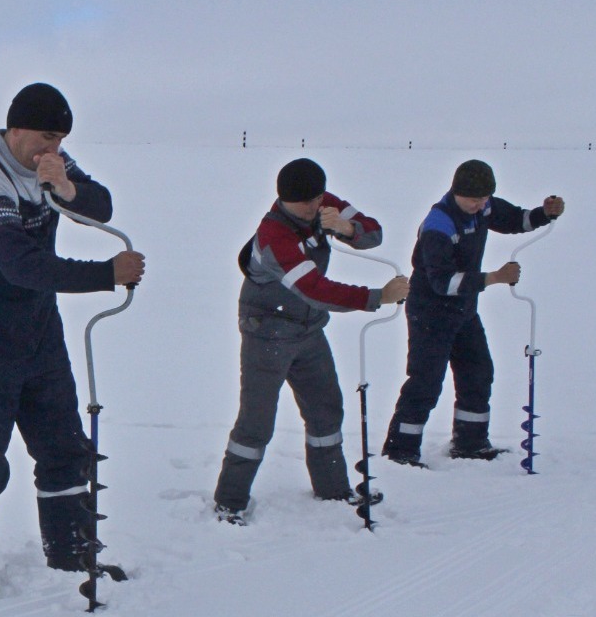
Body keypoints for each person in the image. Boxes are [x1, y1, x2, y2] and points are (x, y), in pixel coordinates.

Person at [0, 83, 145, 596]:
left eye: (62, 140)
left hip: (37, 329)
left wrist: (68, 189)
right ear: (16, 128)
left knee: (63, 446)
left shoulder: (55, 161)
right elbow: (19, 264)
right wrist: (105, 274)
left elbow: (104, 206)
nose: (53, 150)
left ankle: (72, 551)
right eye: (46, 138)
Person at [212, 158, 409, 525]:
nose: (313, 208)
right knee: (256, 423)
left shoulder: (323, 203)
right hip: (266, 330)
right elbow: (314, 289)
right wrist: (377, 296)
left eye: (317, 199)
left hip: (307, 328)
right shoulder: (274, 237)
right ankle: (230, 503)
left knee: (326, 409)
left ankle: (332, 490)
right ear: (283, 198)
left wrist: (346, 227)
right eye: (304, 203)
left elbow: (374, 233)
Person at [381, 160, 564, 465]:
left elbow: (516, 219)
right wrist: (493, 278)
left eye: (483, 199)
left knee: (478, 372)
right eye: (473, 199)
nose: (479, 205)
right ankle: (400, 451)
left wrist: (546, 213)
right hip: (430, 312)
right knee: (426, 381)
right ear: (456, 192)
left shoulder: (484, 207)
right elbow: (442, 282)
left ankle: (471, 442)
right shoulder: (438, 225)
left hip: (463, 310)